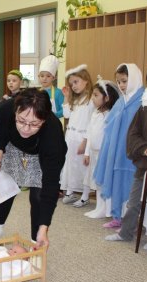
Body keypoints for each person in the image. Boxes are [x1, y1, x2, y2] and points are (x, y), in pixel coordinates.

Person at [0, 88, 67, 249]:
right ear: (15, 111)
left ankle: (36, 240)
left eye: (34, 124)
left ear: (44, 120)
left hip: (40, 151)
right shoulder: (5, 108)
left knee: (38, 196)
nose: (26, 128)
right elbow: (0, 130)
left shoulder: (52, 134)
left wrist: (44, 228)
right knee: (5, 188)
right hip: (13, 147)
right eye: (21, 121)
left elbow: (51, 185)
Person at [105, 62, 147, 251]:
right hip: (144, 164)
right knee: (133, 202)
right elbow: (133, 134)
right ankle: (125, 232)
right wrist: (143, 147)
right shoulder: (144, 107)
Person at [94, 64, 145, 229]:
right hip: (117, 150)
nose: (122, 85)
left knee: (131, 185)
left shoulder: (144, 100)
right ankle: (117, 216)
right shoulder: (121, 101)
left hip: (132, 152)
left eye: (124, 81)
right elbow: (110, 124)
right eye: (119, 82)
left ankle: (132, 220)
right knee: (116, 181)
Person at [83, 78, 120, 218]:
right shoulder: (95, 113)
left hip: (104, 154)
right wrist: (87, 153)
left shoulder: (110, 115)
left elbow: (109, 137)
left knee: (104, 181)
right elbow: (90, 134)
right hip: (94, 153)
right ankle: (99, 207)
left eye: (96, 95)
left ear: (107, 98)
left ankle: (106, 208)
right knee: (97, 180)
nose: (93, 98)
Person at [60, 64, 95, 207]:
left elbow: (91, 123)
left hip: (82, 138)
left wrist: (85, 142)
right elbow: (66, 114)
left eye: (76, 82)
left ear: (86, 80)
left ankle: (85, 195)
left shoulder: (91, 100)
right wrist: (67, 97)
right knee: (70, 164)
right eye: (71, 84)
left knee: (83, 167)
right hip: (71, 136)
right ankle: (70, 191)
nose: (73, 86)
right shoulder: (75, 99)